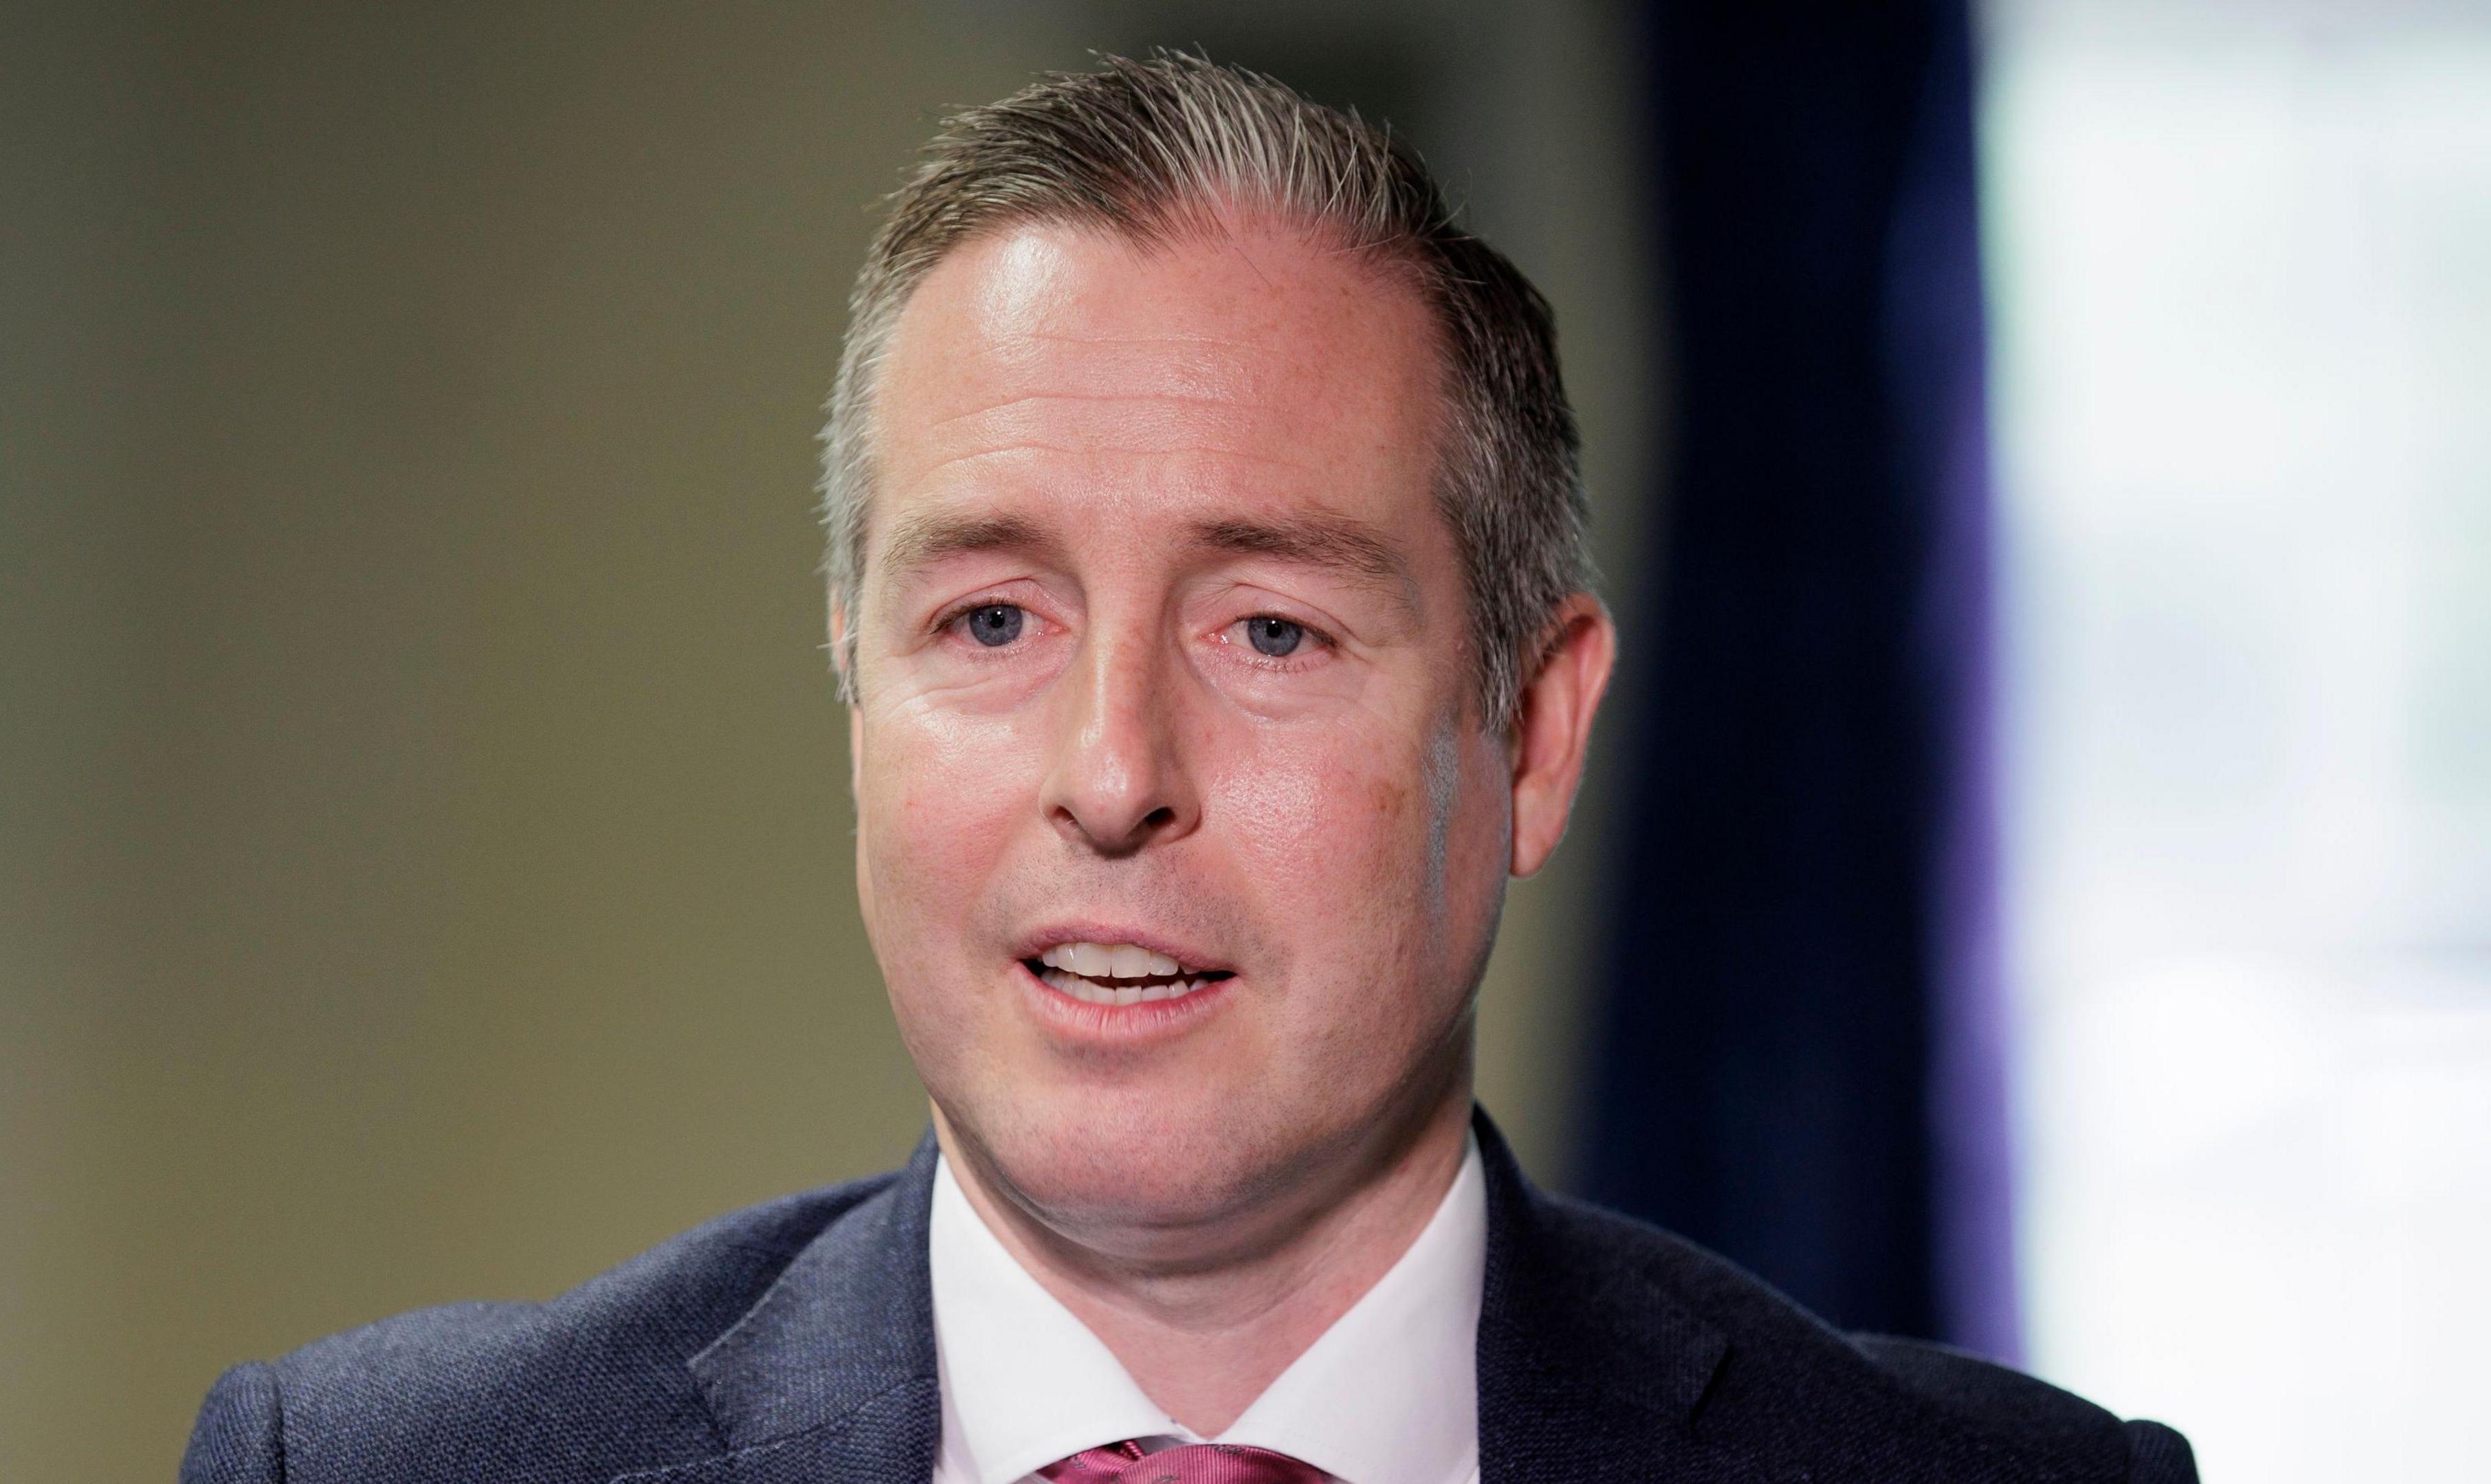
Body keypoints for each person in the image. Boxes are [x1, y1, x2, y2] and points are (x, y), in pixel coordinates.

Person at [179, 54, 2197, 1484]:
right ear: (854, 698)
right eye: (991, 624)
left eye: (1271, 631)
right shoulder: (366, 1469)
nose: (1115, 770)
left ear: (1532, 728)